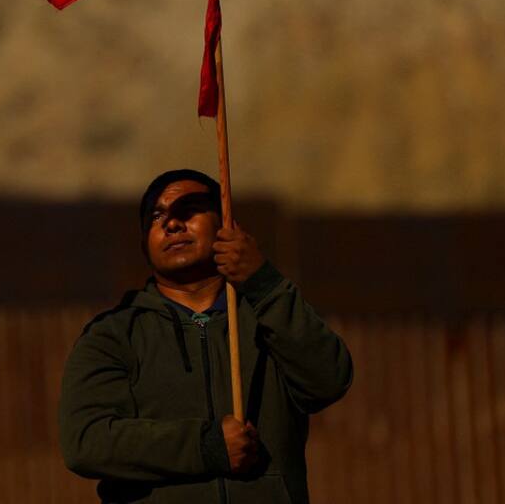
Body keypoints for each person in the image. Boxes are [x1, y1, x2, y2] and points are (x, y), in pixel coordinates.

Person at [58, 169, 352, 504]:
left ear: (227, 224)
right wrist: (206, 446)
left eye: (189, 210)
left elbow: (329, 380)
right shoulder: (113, 335)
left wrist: (264, 283)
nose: (172, 223)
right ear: (144, 243)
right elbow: (86, 442)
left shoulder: (269, 316)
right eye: (157, 216)